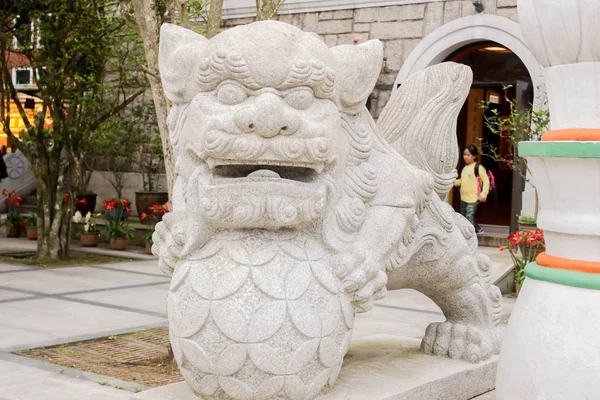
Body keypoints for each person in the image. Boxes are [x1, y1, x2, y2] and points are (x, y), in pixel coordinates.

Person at [454, 144, 489, 235]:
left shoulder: (478, 168)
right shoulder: (465, 168)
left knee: (469, 216)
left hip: (473, 198)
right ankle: (477, 229)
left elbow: (486, 181)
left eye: (468, 155)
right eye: (464, 155)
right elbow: (462, 181)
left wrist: (483, 194)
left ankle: (469, 236)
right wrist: (452, 182)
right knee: (464, 217)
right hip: (463, 197)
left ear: (474, 156)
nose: (465, 157)